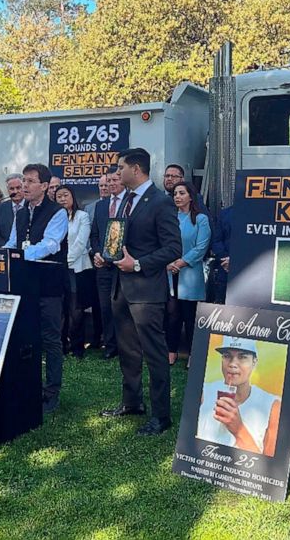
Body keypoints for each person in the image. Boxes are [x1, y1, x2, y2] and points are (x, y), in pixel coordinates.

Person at [96, 147, 182, 436]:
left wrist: (138, 264)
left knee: (154, 354)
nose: (116, 172)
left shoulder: (160, 202)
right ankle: (132, 402)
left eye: (120, 167)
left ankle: (161, 416)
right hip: (121, 289)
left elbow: (173, 248)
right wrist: (106, 255)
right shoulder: (124, 202)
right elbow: (121, 240)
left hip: (146, 291)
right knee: (128, 351)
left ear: (136, 168)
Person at [3, 163, 69, 413]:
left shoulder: (57, 212)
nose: (24, 185)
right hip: (23, 285)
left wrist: (21, 254)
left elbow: (51, 244)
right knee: (24, 338)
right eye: (23, 180)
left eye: (30, 181)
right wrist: (4, 255)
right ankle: (28, 386)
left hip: (48, 286)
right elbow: (12, 242)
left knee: (51, 339)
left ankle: (52, 391)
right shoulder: (20, 213)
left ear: (44, 185)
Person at [196, 336, 281, 456]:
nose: (232, 364)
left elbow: (268, 469)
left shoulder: (272, 405)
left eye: (242, 357)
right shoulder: (203, 391)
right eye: (227, 356)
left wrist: (238, 429)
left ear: (254, 362)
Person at [166, 182, 211, 366]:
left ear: (190, 196)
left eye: (181, 193)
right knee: (172, 314)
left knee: (190, 316)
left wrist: (180, 263)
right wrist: (169, 262)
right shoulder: (170, 218)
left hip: (190, 273)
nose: (177, 196)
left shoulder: (200, 219)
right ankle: (171, 351)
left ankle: (193, 354)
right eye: (175, 193)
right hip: (170, 273)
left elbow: (201, 247)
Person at [89, 169, 127, 360]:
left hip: (123, 265)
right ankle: (110, 345)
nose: (111, 183)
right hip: (103, 266)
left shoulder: (130, 203)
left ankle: (126, 346)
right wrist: (97, 253)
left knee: (123, 308)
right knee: (106, 307)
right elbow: (95, 234)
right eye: (108, 181)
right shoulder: (101, 206)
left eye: (115, 180)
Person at [57, 186, 95, 358]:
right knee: (61, 310)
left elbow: (81, 243)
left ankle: (77, 347)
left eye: (66, 195)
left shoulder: (82, 216)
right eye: (59, 196)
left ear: (73, 196)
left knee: (76, 310)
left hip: (77, 269)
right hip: (59, 270)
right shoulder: (55, 218)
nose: (63, 199)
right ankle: (61, 345)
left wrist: (66, 260)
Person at [82, 175, 110, 348]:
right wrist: (94, 253)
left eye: (106, 184)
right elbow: (90, 235)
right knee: (97, 302)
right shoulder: (90, 207)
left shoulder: (123, 205)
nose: (104, 188)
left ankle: (110, 340)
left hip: (113, 262)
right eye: (101, 185)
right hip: (94, 260)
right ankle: (96, 336)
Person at [0, 174, 25, 247]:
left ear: (24, 188)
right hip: (5, 249)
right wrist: (7, 248)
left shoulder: (30, 205)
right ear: (7, 190)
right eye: (12, 189)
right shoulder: (0, 209)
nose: (15, 191)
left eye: (18, 188)